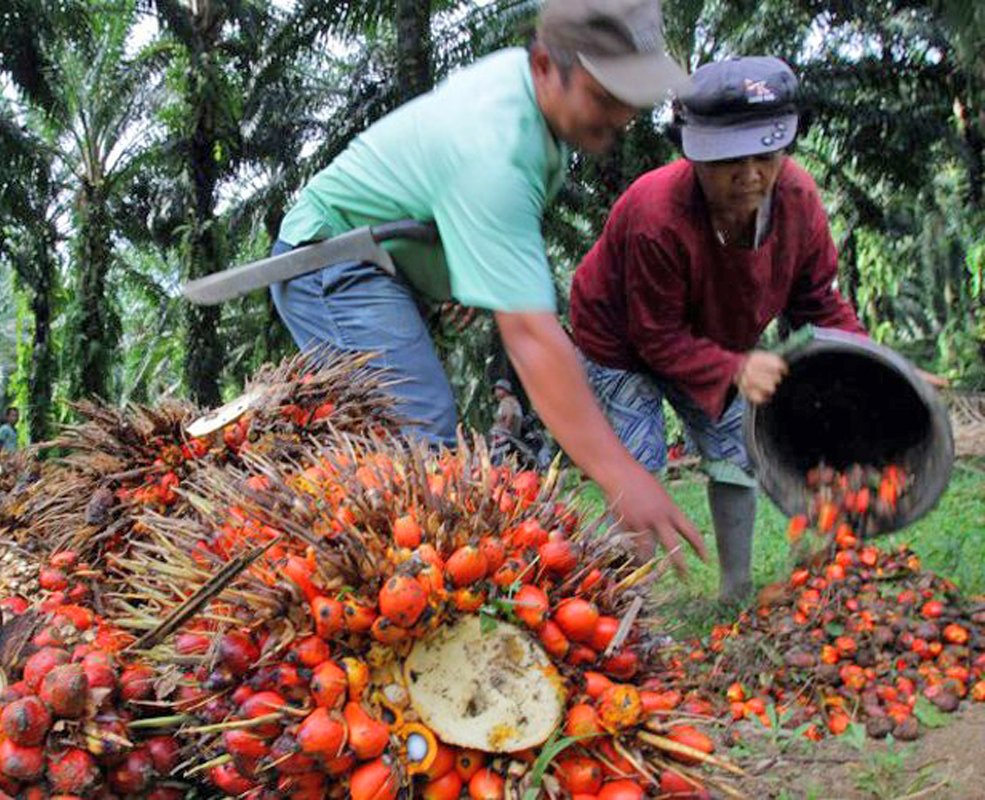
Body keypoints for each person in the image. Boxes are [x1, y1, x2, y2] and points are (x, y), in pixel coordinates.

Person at [271, 0, 706, 572]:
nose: (621, 116)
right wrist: (621, 472)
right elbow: (530, 336)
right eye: (604, 97)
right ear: (547, 66)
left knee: (416, 457)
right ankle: (339, 592)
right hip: (331, 262)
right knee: (420, 446)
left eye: (631, 99)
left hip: (381, 260)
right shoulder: (495, 150)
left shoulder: (525, 98)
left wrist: (446, 267)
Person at [569, 56, 867, 600]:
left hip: (715, 342)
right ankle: (622, 601)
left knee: (736, 451)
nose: (750, 174)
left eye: (766, 155)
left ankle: (736, 589)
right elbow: (654, 336)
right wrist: (734, 368)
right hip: (618, 341)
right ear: (695, 155)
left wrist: (871, 367)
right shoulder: (657, 215)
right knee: (638, 467)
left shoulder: (798, 203)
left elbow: (819, 305)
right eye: (728, 160)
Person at [490, 379, 524, 444]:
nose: (496, 392)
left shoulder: (507, 401)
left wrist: (505, 431)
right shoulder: (511, 401)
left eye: (498, 389)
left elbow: (509, 414)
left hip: (507, 435)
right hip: (511, 435)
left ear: (505, 390)